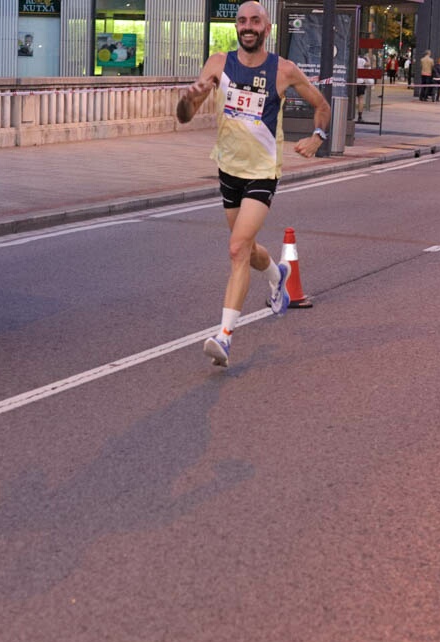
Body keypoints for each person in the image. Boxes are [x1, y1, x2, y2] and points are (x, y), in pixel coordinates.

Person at [176, 0, 329, 367]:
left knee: (235, 249)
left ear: (267, 28)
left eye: (255, 21)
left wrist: (317, 137)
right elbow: (184, 117)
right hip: (227, 168)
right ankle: (278, 273)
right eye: (242, 21)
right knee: (248, 249)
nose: (247, 26)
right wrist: (188, 99)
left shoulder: (284, 70)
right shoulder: (217, 62)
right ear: (236, 28)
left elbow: (321, 104)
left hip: (262, 171)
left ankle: (225, 336)